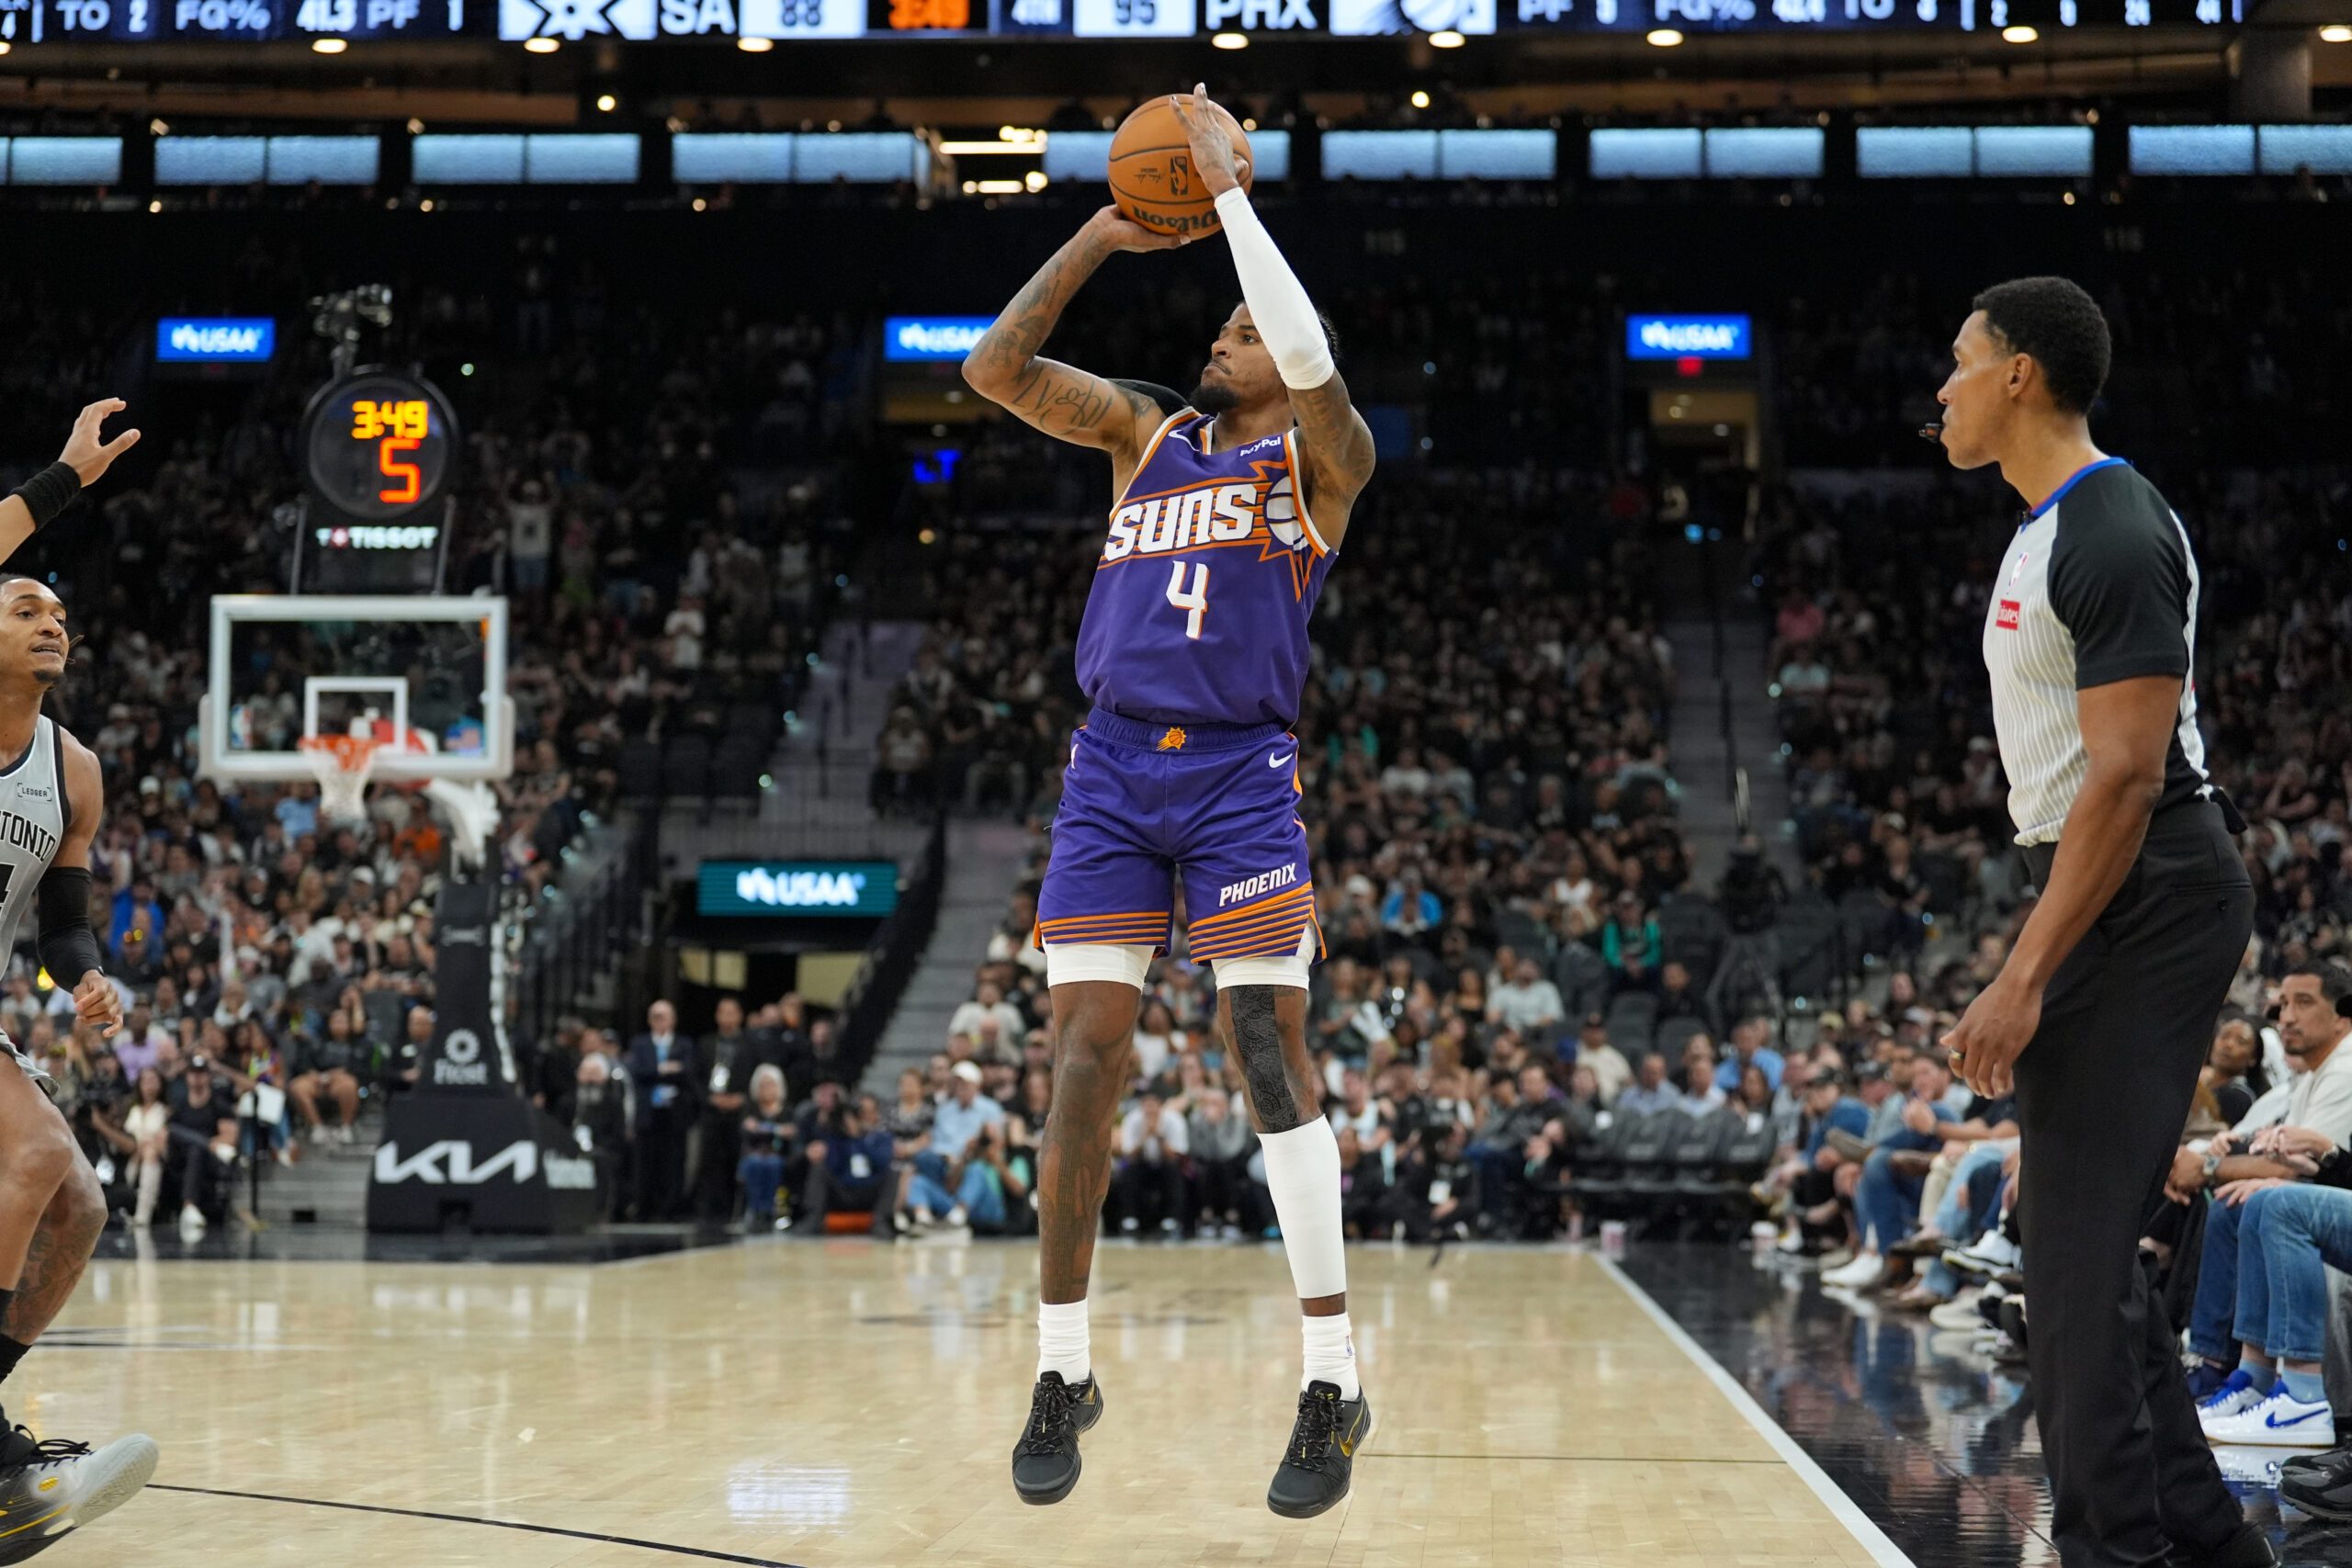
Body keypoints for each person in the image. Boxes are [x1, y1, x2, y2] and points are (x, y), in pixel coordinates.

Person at [965, 85, 1378, 1513]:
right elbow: (994, 366)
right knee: (1082, 1056)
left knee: (1265, 1043)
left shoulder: (1323, 464)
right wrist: (1099, 230)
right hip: (1111, 767)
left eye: (1242, 328)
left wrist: (1236, 201)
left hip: (1240, 774)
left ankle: (1332, 1376)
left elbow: (1312, 353)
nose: (1223, 333)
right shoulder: (1145, 434)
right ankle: (1061, 1361)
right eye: (1223, 323)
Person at [1929, 277, 2266, 1568]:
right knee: (2078, 1260)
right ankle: (2212, 1544)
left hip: (2156, 883)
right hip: (2112, 879)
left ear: (2019, 373)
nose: (1942, 390)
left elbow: (2125, 776)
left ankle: (2112, 1550)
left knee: (2070, 1268)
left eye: (1959, 364)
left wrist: (2023, 977)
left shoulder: (2113, 522)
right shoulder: (2043, 523)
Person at [0, 416, 164, 1551]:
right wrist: (67, 481)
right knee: (36, 1154)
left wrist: (88, 978)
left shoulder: (78, 772)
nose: (51, 621)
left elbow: (62, 921)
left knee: (80, 1203)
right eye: (23, 607)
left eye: (60, 613)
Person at [626, 998, 703, 1220]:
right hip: (648, 1112)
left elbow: (687, 1072)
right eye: (656, 1017)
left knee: (674, 1162)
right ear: (650, 1020)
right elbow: (639, 1072)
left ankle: (671, 1207)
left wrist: (659, 1072)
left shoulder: (684, 1044)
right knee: (646, 1161)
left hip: (674, 1113)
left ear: (673, 1020)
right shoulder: (640, 1043)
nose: (660, 1021)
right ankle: (644, 1206)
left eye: (664, 1016)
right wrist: (665, 1069)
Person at [1114, 1090, 1189, 1237]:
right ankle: (1129, 1219)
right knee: (1129, 1170)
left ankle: (1171, 1219)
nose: (1149, 1110)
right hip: (1142, 1163)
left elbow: (1176, 1155)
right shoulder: (1132, 1120)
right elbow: (1128, 1154)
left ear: (1161, 1106)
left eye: (1153, 1106)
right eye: (1146, 1106)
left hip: (1166, 1164)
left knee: (1172, 1169)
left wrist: (1159, 1137)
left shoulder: (1174, 1120)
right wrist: (1144, 1137)